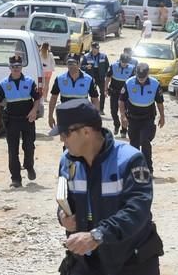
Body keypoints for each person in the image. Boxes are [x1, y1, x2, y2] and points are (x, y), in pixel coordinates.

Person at [55, 99, 163, 275]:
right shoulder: (67, 161)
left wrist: (98, 235)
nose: (61, 139)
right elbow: (64, 200)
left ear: (86, 132)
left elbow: (137, 210)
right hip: (87, 261)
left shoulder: (129, 160)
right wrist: (62, 217)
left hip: (130, 261)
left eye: (65, 133)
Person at [0, 55, 42, 188]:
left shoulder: (29, 81)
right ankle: (16, 178)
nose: (16, 69)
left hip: (28, 119)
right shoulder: (4, 84)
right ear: (9, 67)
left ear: (22, 67)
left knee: (29, 146)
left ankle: (29, 166)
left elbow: (37, 98)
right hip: (12, 120)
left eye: (18, 66)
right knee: (12, 150)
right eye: (13, 67)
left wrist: (34, 110)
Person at [118, 63, 165, 173]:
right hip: (133, 118)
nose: (141, 80)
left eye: (143, 77)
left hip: (148, 118)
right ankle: (134, 168)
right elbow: (121, 100)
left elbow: (159, 101)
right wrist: (123, 116)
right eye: (139, 77)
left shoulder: (155, 84)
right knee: (133, 144)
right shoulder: (129, 83)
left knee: (145, 141)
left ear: (147, 74)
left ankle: (148, 168)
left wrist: (162, 116)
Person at [49, 53, 100, 132]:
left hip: (82, 117)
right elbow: (53, 98)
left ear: (79, 64)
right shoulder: (60, 79)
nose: (71, 66)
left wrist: (96, 117)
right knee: (67, 141)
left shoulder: (88, 79)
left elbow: (95, 99)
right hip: (65, 116)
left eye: (73, 63)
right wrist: (50, 116)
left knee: (82, 142)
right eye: (69, 63)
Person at [105, 53, 136, 137]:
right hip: (114, 92)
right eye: (123, 62)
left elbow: (134, 82)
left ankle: (124, 130)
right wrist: (105, 89)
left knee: (125, 112)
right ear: (120, 60)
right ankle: (117, 124)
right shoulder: (113, 66)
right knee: (113, 111)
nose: (124, 64)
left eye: (126, 62)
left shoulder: (132, 68)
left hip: (125, 95)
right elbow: (108, 78)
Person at [81, 43, 109, 114]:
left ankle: (101, 109)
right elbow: (81, 67)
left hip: (100, 77)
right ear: (92, 48)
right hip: (91, 77)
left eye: (97, 49)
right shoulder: (86, 56)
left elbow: (107, 67)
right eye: (95, 49)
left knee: (102, 93)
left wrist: (105, 75)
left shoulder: (103, 56)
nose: (96, 50)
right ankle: (92, 108)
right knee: (91, 93)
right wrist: (86, 67)